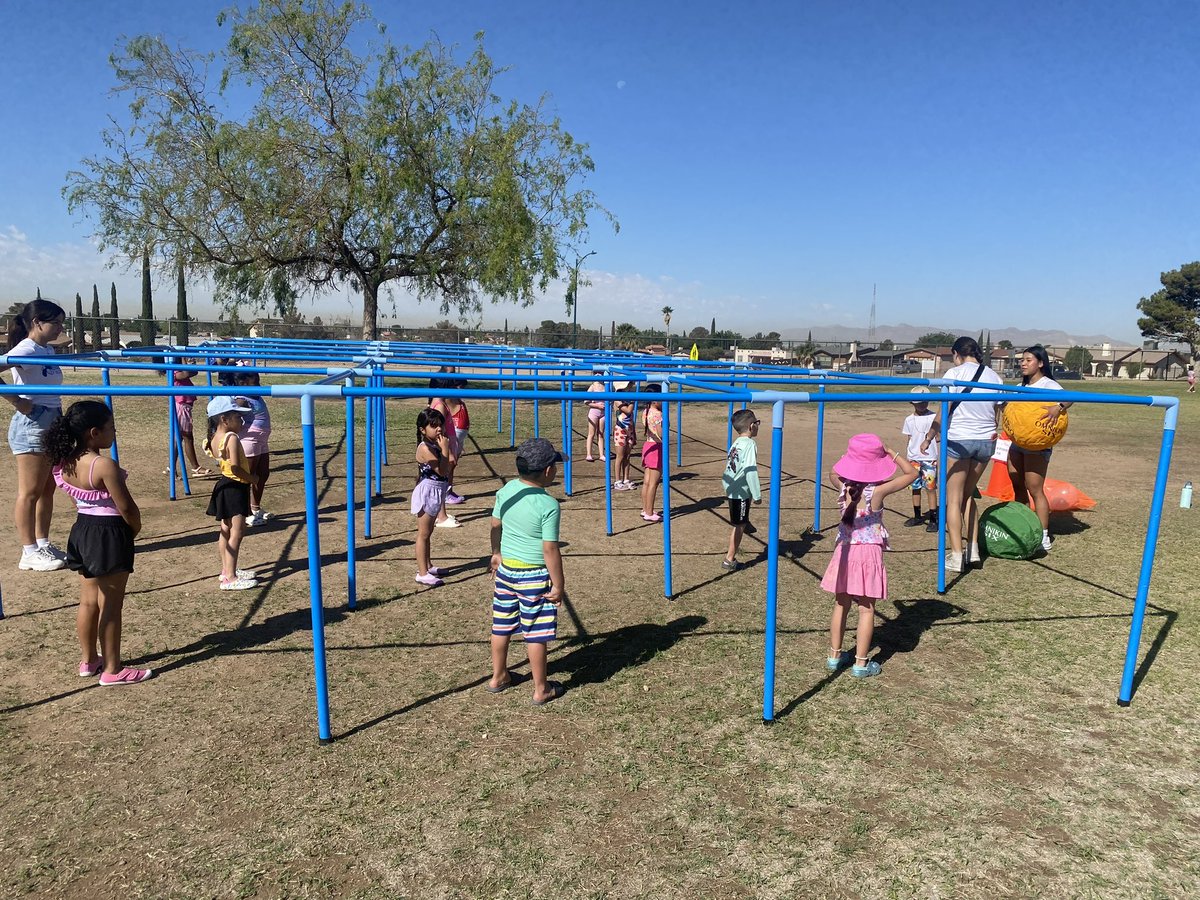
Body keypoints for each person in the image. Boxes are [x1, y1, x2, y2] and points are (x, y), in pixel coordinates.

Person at [45, 401, 152, 685]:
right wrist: (132, 531)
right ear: (94, 432)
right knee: (112, 605)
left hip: (83, 529)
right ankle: (113, 670)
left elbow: (75, 499)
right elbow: (127, 507)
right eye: (111, 428)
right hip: (109, 532)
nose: (114, 432)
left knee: (88, 601)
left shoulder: (65, 461)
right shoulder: (103, 464)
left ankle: (89, 660)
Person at [821, 434, 917, 678]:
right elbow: (912, 474)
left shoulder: (842, 486)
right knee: (866, 609)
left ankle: (834, 656)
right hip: (868, 554)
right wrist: (890, 452)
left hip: (844, 551)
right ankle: (860, 663)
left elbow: (834, 471)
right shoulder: (878, 492)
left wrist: (849, 458)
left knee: (841, 603)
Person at [486, 437, 567, 706]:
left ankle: (498, 677)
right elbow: (549, 550)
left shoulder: (507, 490)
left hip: (506, 571)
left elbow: (495, 525)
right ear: (547, 471)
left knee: (502, 626)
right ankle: (541, 688)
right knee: (536, 633)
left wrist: (496, 553)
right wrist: (558, 585)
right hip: (534, 577)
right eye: (555, 465)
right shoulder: (548, 505)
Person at [920, 336, 1003, 573]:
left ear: (957, 354)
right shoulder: (993, 376)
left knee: (953, 500)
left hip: (959, 441)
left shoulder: (954, 375)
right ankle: (973, 550)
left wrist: (928, 437)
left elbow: (943, 409)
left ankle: (956, 555)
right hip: (986, 442)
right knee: (968, 496)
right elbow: (998, 409)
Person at [1, 299, 68, 571]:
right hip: (33, 422)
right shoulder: (26, 349)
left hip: (52, 419)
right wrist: (17, 401)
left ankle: (42, 543)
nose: (60, 328)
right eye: (56, 323)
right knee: (29, 491)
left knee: (47, 488)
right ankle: (28, 550)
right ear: (37, 323)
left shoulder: (46, 350)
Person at [1007, 345, 1071, 553]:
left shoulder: (1049, 385)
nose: (1023, 363)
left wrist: (1058, 406)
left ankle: (1043, 535)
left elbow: (1070, 398)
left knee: (1035, 489)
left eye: (1028, 360)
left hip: (1038, 445)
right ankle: (1023, 527)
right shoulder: (1019, 385)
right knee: (1016, 482)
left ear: (1041, 363)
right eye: (1022, 360)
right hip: (1017, 443)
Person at [203, 397, 259, 591]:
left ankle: (226, 569)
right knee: (237, 531)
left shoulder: (213, 438)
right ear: (224, 420)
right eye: (237, 416)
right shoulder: (232, 438)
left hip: (223, 486)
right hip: (235, 487)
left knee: (225, 530)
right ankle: (230, 577)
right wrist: (252, 478)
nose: (241, 420)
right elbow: (235, 467)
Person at [412, 407, 452, 587]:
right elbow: (443, 469)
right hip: (427, 491)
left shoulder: (437, 443)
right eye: (433, 426)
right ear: (422, 430)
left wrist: (446, 448)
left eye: (440, 425)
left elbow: (452, 462)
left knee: (429, 532)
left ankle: (428, 566)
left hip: (437, 490)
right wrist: (445, 449)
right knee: (423, 533)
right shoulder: (425, 448)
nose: (439, 429)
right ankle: (422, 573)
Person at [721, 408, 762, 571]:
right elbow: (750, 470)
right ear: (752, 426)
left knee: (741, 518)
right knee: (739, 524)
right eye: (757, 423)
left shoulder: (736, 442)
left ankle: (746, 521)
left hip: (732, 487)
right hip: (740, 491)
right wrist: (757, 495)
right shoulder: (750, 444)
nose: (758, 426)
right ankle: (729, 559)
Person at [235, 370, 273, 525]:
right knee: (247, 477)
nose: (259, 385)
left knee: (263, 474)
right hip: (250, 440)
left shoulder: (257, 396)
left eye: (259, 382)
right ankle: (244, 513)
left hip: (262, 440)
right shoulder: (243, 399)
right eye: (255, 383)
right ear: (243, 384)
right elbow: (232, 413)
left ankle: (255, 507)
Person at [902, 387, 939, 532]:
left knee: (930, 488)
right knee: (915, 488)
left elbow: (938, 437)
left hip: (930, 459)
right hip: (914, 459)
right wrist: (908, 457)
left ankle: (934, 519)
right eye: (919, 403)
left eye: (924, 402)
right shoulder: (909, 420)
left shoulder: (934, 417)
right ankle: (917, 515)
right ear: (912, 403)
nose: (922, 405)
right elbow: (909, 439)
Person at [171, 364, 215, 479]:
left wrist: (190, 364)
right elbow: (186, 373)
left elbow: (194, 372)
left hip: (185, 406)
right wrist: (187, 363)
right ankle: (195, 467)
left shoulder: (178, 368)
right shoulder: (173, 369)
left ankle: (171, 467)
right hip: (181, 406)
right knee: (187, 437)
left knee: (179, 438)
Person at [640, 384, 665, 522]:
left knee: (647, 482)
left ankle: (646, 509)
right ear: (655, 400)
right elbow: (661, 434)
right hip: (657, 447)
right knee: (653, 483)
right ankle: (649, 512)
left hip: (648, 444)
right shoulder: (658, 415)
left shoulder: (646, 411)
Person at [612, 382, 636, 490]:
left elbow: (631, 418)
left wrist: (634, 432)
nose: (629, 388)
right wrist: (632, 401)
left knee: (627, 456)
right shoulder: (617, 400)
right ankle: (617, 480)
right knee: (620, 456)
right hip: (620, 430)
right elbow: (628, 411)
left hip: (629, 430)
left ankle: (626, 479)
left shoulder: (627, 398)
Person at [584, 374, 608, 462]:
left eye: (600, 373)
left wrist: (607, 404)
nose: (598, 375)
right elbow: (586, 401)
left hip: (603, 413)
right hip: (594, 412)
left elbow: (610, 398)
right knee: (591, 434)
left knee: (601, 434)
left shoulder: (606, 386)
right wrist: (597, 405)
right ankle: (589, 454)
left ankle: (601, 455)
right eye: (596, 373)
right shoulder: (592, 387)